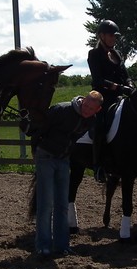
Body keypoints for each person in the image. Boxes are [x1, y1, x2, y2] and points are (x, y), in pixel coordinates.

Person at [26, 91, 103, 258]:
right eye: (86, 106)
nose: (87, 110)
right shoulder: (61, 110)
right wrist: (36, 151)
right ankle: (43, 246)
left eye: (91, 109)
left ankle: (62, 245)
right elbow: (40, 129)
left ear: (97, 110)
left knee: (62, 204)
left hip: (63, 160)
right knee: (46, 203)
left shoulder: (91, 120)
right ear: (83, 100)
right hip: (46, 156)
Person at [87, 19, 133, 182]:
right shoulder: (94, 54)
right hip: (102, 97)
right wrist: (119, 87)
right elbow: (98, 80)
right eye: (111, 35)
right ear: (102, 36)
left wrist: (130, 84)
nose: (114, 38)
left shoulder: (117, 54)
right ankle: (98, 166)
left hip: (119, 96)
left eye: (115, 36)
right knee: (100, 124)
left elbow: (125, 75)